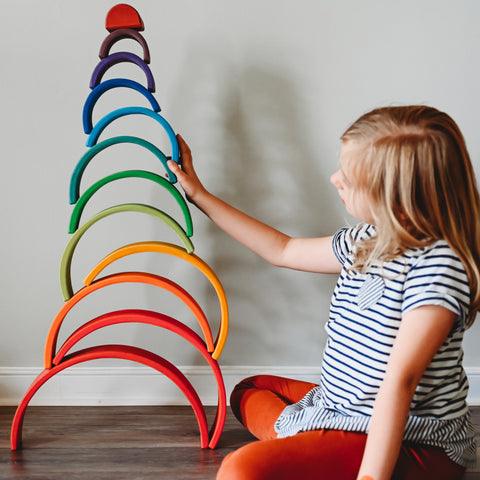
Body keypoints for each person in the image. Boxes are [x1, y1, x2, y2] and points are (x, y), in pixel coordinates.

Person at [167, 105, 478, 480]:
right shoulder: (369, 239)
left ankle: (320, 447)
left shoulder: (439, 267)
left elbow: (400, 383)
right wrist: (199, 194)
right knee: (251, 389)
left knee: (240, 470)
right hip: (343, 409)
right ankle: (318, 440)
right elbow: (281, 249)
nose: (334, 179)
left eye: (348, 177)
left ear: (394, 196)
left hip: (414, 441)